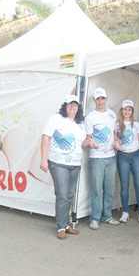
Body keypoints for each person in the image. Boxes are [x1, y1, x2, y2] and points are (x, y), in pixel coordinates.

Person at [40, 95, 91, 240]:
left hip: (75, 164)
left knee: (69, 195)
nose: (72, 107)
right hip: (58, 163)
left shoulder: (80, 124)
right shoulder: (55, 119)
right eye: (70, 104)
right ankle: (61, 227)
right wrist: (44, 160)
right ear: (65, 106)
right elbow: (45, 137)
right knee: (62, 194)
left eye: (75, 105)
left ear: (78, 108)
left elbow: (80, 143)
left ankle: (66, 224)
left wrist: (90, 143)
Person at [85, 87, 122, 230]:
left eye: (103, 98)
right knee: (96, 189)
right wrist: (91, 142)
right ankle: (94, 218)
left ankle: (107, 216)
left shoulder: (112, 114)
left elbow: (114, 133)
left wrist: (118, 141)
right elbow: (88, 138)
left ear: (106, 99)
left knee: (110, 188)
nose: (100, 101)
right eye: (98, 99)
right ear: (94, 100)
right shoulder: (90, 117)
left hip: (111, 157)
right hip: (96, 158)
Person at [116, 100, 139, 224]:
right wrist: (117, 143)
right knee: (124, 186)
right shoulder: (117, 124)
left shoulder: (137, 124)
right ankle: (125, 212)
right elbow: (115, 139)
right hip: (122, 156)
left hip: (136, 156)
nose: (127, 112)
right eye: (125, 109)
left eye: (129, 109)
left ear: (132, 111)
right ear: (121, 110)